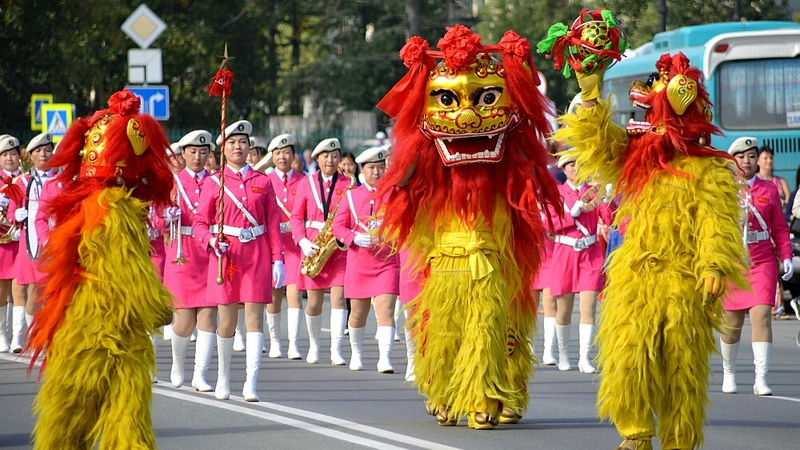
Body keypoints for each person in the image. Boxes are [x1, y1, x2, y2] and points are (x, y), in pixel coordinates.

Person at [553, 51, 748, 450]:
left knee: (681, 369)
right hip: (634, 276)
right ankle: (635, 433)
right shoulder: (637, 159)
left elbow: (716, 221)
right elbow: (598, 145)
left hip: (683, 281)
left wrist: (713, 263)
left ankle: (679, 442)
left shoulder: (709, 170)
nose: (641, 123)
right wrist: (589, 95)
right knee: (627, 358)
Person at [374, 26, 562, 428]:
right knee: (442, 331)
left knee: (490, 329)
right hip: (444, 262)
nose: (466, 115)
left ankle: (487, 395)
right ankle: (443, 391)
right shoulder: (430, 164)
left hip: (493, 261)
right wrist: (416, 133)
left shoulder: (509, 162)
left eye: (486, 98)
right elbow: (402, 179)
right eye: (448, 100)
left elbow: (531, 170)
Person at [27, 89, 175, 449]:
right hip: (113, 328)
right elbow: (128, 273)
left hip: (81, 322)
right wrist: (160, 308)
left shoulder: (84, 201)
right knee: (125, 415)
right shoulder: (115, 207)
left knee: (69, 415)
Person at [193, 120, 286, 402]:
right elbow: (199, 222)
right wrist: (210, 240)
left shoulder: (263, 181)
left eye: (243, 143)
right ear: (223, 149)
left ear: (250, 147)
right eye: (232, 143)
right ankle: (223, 378)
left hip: (256, 254)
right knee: (227, 321)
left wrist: (278, 259)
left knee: (255, 318)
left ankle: (251, 383)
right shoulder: (214, 182)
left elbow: (273, 223)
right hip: (226, 257)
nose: (238, 147)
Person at [720, 136, 792, 396]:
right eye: (741, 157)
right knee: (732, 321)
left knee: (762, 315)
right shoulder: (722, 189)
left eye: (751, 156)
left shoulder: (769, 189)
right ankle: (729, 372)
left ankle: (760, 378)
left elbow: (780, 229)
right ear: (733, 159)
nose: (747, 161)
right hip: (732, 261)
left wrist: (785, 256)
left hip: (761, 261)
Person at [332, 145, 400, 372]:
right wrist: (353, 238)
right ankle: (357, 353)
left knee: (386, 310)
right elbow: (338, 227)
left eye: (381, 167)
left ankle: (385, 358)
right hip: (359, 262)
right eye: (372, 168)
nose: (377, 172)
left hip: (386, 261)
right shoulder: (351, 196)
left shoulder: (393, 194)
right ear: (363, 170)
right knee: (358, 314)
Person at [289, 138, 353, 365]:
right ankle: (314, 345)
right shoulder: (306, 183)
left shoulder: (348, 183)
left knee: (338, 298)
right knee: (314, 303)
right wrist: (302, 240)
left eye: (335, 156)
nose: (331, 160)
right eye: (326, 156)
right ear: (317, 158)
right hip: (313, 245)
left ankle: (336, 349)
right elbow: (296, 216)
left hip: (338, 246)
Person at [163, 130, 216, 392]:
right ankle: (177, 363)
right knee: (184, 320)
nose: (197, 157)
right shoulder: (171, 182)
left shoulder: (217, 182)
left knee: (208, 317)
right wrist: (165, 216)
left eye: (203, 152)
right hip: (181, 254)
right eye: (192, 152)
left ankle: (200, 374)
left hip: (209, 252)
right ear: (183, 153)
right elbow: (154, 218)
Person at [546, 155, 604, 373]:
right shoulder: (557, 193)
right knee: (564, 309)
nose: (575, 168)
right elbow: (548, 223)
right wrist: (572, 214)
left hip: (590, 253)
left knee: (588, 307)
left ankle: (584, 358)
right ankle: (562, 354)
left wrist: (608, 198)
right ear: (564, 168)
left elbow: (609, 219)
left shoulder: (594, 192)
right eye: (571, 165)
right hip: (565, 254)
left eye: (580, 164)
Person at [7, 133, 55, 353]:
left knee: (55, 291)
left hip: (58, 241)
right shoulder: (23, 182)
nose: (43, 155)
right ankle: (35, 336)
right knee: (34, 292)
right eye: (38, 151)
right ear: (30, 157)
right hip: (32, 242)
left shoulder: (62, 180)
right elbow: (10, 213)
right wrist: (15, 216)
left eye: (47, 150)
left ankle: (53, 336)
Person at [264, 133, 306, 359]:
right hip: (273, 244)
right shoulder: (265, 180)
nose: (282, 157)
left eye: (286, 152)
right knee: (273, 294)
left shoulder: (303, 181)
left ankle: (293, 343)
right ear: (272, 156)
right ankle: (274, 340)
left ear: (293, 155)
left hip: (295, 245)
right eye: (278, 153)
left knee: (295, 293)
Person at [0, 135, 24, 353]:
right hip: (1, 242)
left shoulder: (26, 180)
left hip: (21, 242)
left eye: (13, 154)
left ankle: (17, 337)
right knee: (1, 290)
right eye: (5, 155)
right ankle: (1, 335)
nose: (10, 158)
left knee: (20, 290)